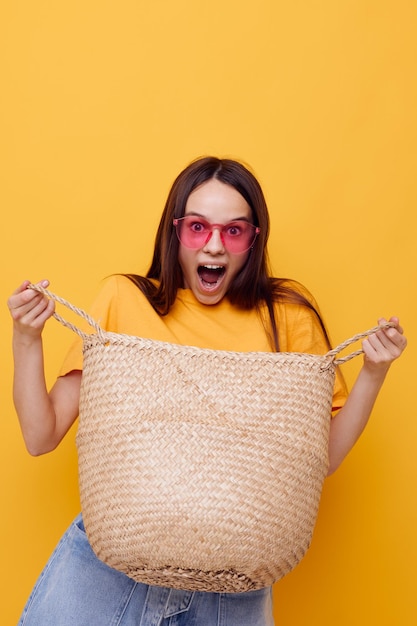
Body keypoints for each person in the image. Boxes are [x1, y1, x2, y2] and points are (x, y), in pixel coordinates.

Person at [8, 157, 406, 626]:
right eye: (197, 227)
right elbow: (41, 435)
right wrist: (26, 338)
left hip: (233, 590)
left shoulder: (289, 320)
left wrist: (374, 373)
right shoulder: (123, 300)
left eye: (234, 231)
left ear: (254, 240)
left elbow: (322, 460)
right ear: (174, 233)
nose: (214, 245)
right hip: (107, 572)